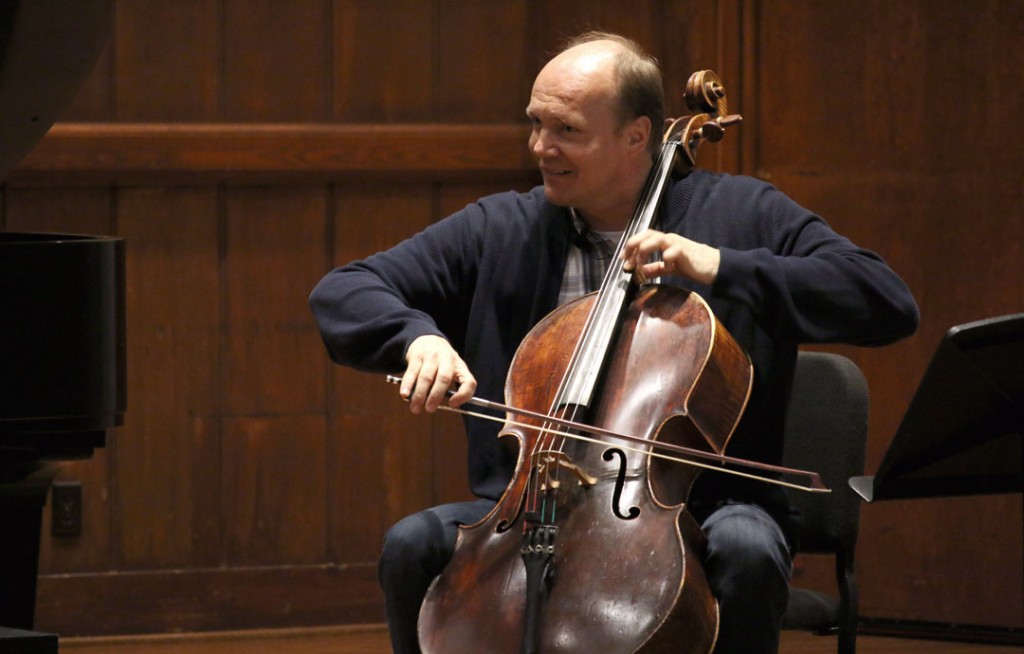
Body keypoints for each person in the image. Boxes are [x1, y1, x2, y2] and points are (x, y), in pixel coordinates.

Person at [309, 31, 918, 654]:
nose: (541, 147)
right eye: (535, 124)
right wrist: (417, 340)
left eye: (567, 130)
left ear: (637, 137)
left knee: (749, 548)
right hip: (528, 511)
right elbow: (346, 289)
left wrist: (718, 265)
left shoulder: (742, 213)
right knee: (411, 544)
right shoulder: (503, 228)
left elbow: (885, 300)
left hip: (699, 509)